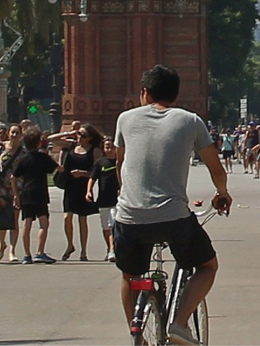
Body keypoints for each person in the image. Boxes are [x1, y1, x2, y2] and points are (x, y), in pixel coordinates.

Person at [112, 65, 232, 346]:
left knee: (130, 275)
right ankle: (179, 324)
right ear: (176, 94)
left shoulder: (125, 119)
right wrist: (222, 193)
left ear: (144, 92)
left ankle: (137, 334)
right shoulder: (190, 121)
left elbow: (121, 165)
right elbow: (216, 168)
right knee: (206, 266)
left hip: (129, 217)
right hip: (173, 218)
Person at [10, 129, 59, 263]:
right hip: (40, 193)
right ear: (38, 143)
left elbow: (13, 177)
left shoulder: (24, 158)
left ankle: (27, 255)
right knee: (44, 223)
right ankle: (40, 252)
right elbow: (58, 168)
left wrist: (16, 195)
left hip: (25, 193)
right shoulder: (43, 157)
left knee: (27, 223)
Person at [60, 123, 102, 261]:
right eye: (79, 134)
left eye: (83, 135)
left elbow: (97, 171)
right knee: (67, 217)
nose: (80, 137)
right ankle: (70, 244)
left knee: (82, 219)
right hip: (70, 186)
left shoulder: (94, 150)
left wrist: (83, 174)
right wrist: (69, 134)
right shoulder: (72, 146)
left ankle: (84, 251)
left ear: (89, 138)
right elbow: (50, 139)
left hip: (84, 187)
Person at [89, 133, 120, 262]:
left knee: (112, 224)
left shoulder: (120, 161)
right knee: (105, 227)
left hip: (117, 199)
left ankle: (113, 250)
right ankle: (110, 248)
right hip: (103, 199)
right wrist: (88, 191)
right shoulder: (100, 163)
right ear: (103, 148)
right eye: (107, 147)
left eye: (112, 147)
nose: (109, 149)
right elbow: (92, 178)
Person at [0, 127, 20, 261]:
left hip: (17, 188)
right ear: (8, 133)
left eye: (17, 132)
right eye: (12, 132)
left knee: (14, 219)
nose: (14, 135)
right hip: (2, 187)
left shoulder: (23, 151)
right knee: (2, 217)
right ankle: (1, 244)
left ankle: (12, 251)